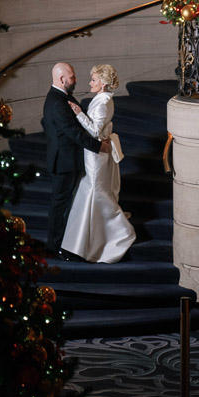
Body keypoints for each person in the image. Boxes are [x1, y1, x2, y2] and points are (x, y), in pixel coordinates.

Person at [61, 63, 136, 263]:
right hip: (93, 154)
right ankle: (83, 243)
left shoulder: (103, 102)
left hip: (96, 155)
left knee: (94, 192)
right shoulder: (102, 98)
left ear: (102, 83)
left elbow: (94, 132)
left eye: (93, 80)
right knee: (90, 193)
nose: (90, 82)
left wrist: (78, 113)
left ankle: (119, 232)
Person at [42, 61, 111, 255]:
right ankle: (55, 247)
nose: (76, 79)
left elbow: (46, 123)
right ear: (62, 79)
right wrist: (99, 146)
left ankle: (62, 244)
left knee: (64, 205)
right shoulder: (57, 101)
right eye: (72, 77)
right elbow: (73, 132)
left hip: (65, 158)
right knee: (60, 207)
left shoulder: (60, 97)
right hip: (64, 162)